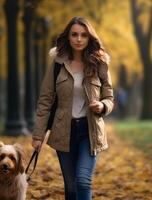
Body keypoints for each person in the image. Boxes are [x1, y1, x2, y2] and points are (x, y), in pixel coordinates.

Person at [31, 17, 114, 200]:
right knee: (70, 187)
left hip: (89, 130)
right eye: (74, 34)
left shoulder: (100, 62)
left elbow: (109, 97)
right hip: (64, 131)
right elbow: (45, 100)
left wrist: (102, 105)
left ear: (89, 37)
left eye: (83, 35)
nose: (79, 39)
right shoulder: (57, 63)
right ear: (68, 37)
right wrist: (38, 136)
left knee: (83, 181)